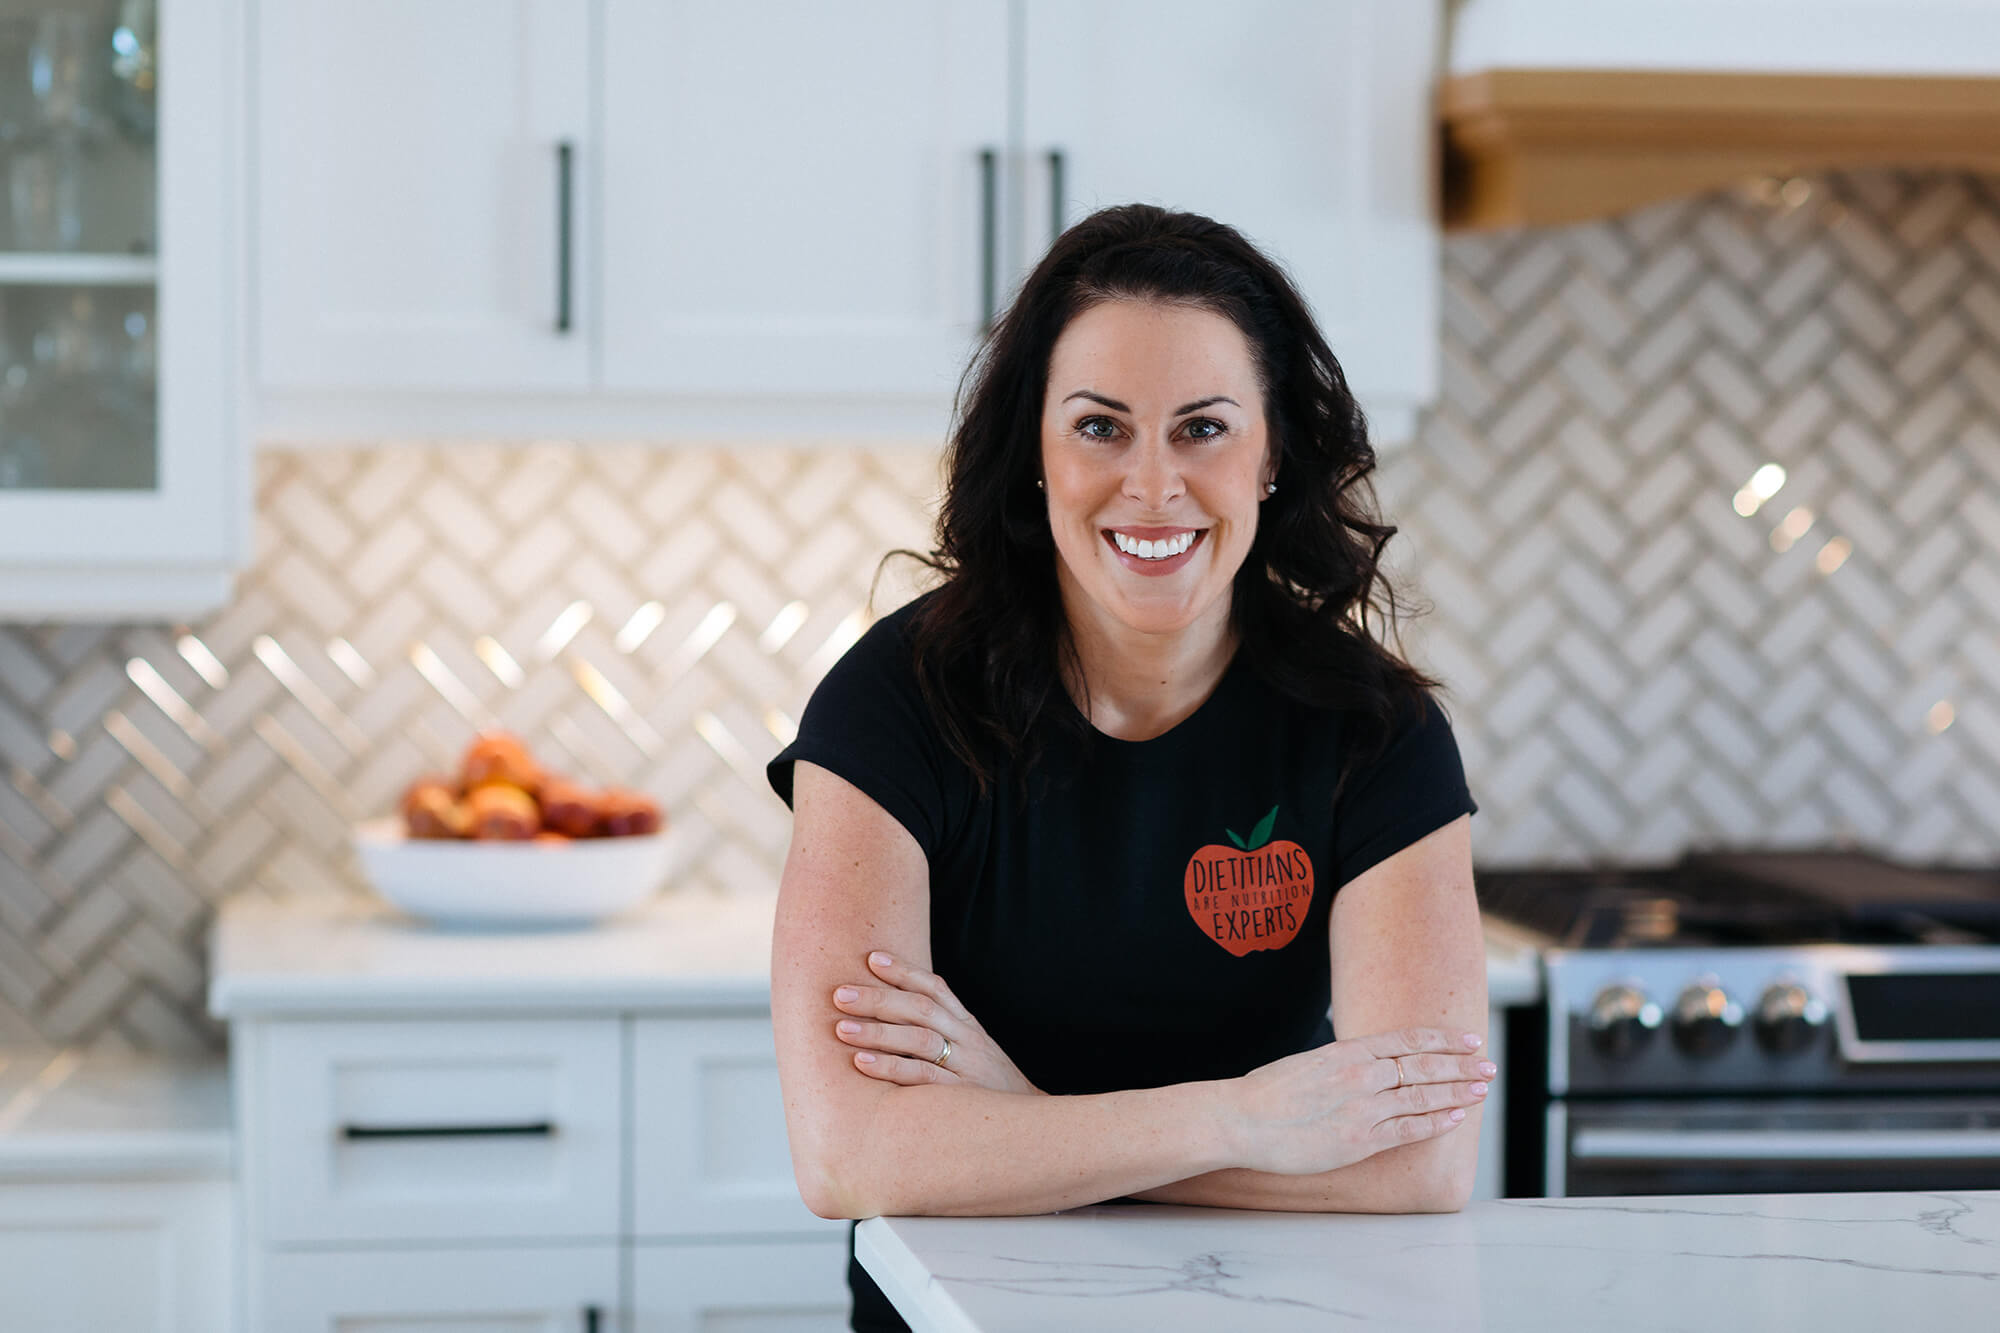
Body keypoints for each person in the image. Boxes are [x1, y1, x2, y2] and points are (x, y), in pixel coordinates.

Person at [766, 204, 1489, 1332]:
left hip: (1259, 1314)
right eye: (1100, 428)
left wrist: (1018, 1122)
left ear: (1270, 456)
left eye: (1202, 428)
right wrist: (1243, 1123)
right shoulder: (895, 703)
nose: (1152, 484)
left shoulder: (1374, 731)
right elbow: (847, 1153)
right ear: (1036, 455)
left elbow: (1420, 1165)